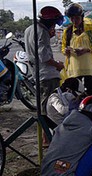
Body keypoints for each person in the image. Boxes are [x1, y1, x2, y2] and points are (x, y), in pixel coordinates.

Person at [24, 6, 65, 146]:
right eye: (53, 23)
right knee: (50, 109)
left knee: (44, 106)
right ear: (49, 21)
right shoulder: (42, 32)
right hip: (47, 75)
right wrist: (58, 65)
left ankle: (46, 138)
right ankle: (47, 138)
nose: (54, 26)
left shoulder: (29, 29)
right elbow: (44, 57)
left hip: (38, 74)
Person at [62, 3, 92, 79]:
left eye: (77, 18)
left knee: (91, 88)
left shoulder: (90, 29)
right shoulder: (67, 32)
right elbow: (63, 48)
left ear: (82, 17)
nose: (74, 21)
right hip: (74, 68)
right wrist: (66, 51)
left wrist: (87, 50)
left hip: (91, 67)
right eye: (72, 18)